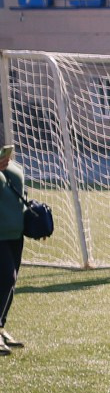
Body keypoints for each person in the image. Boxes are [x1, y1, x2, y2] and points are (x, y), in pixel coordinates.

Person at [0, 142, 25, 352]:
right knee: (6, 278)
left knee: (11, 282)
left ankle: (0, 327)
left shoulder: (9, 162)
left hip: (14, 232)